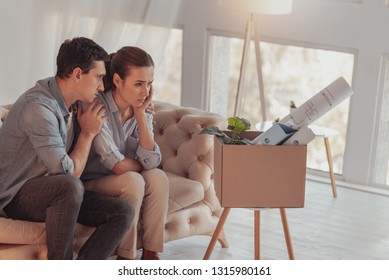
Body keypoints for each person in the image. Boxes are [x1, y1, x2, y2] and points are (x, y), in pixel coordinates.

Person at [0, 37, 134, 260]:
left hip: (54, 191)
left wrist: (138, 111)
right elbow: (68, 174)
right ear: (78, 74)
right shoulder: (38, 109)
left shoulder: (71, 101)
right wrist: (88, 134)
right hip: (13, 196)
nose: (101, 86)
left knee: (122, 212)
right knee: (69, 185)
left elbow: (112, 101)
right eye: (99, 77)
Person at [81, 46, 169, 260]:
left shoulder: (142, 107)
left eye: (149, 84)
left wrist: (140, 114)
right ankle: (125, 256)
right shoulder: (97, 107)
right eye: (138, 84)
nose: (146, 92)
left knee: (158, 177)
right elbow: (117, 166)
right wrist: (142, 164)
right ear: (118, 80)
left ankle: (150, 252)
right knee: (133, 180)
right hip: (93, 184)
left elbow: (153, 161)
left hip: (123, 176)